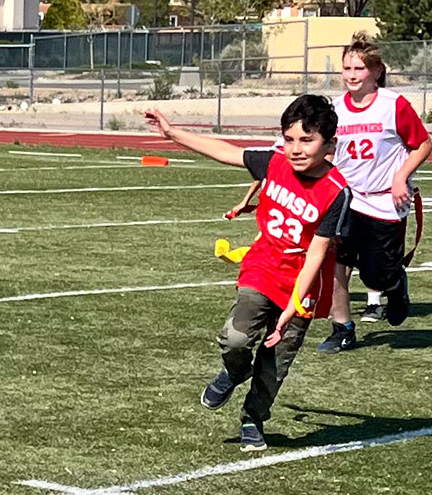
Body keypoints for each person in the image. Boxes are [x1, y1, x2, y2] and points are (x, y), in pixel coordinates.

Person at [148, 98, 353, 452]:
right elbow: (225, 151)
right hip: (262, 268)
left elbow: (317, 255)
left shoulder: (337, 192)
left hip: (301, 286)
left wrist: (291, 309)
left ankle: (253, 418)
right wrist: (173, 134)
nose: (296, 149)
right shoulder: (273, 163)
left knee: (275, 364)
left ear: (330, 145)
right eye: (289, 139)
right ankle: (234, 370)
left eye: (307, 141)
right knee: (236, 340)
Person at [311, 36, 432, 354]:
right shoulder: (336, 109)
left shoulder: (393, 105)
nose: (351, 75)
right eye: (347, 68)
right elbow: (329, 154)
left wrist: (400, 177)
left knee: (376, 275)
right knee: (337, 264)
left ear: (376, 71)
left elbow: (423, 145)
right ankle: (343, 329)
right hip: (347, 199)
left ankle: (395, 284)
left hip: (384, 201)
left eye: (359, 68)